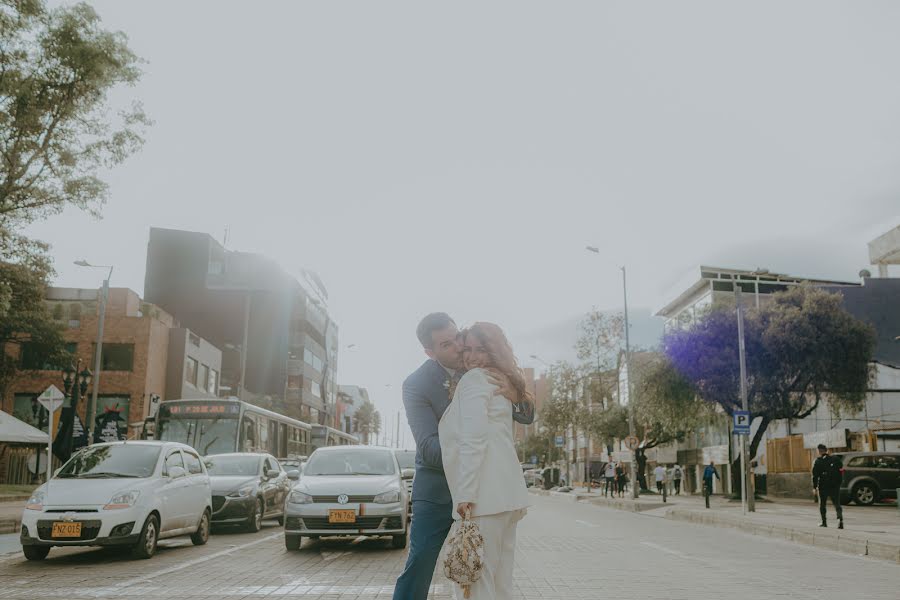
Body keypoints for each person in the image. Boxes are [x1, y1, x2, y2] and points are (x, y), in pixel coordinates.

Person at [393, 313, 534, 600]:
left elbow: (525, 415)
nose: (459, 347)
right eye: (447, 344)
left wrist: (516, 395)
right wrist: (475, 449)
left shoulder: (484, 368)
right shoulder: (416, 384)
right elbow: (428, 446)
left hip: (479, 491)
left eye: (457, 337)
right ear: (430, 352)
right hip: (438, 488)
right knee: (420, 563)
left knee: (481, 578)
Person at [440, 322, 532, 599]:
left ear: (494, 351)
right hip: (507, 498)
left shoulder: (475, 379)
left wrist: (465, 492)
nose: (472, 356)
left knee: (476, 584)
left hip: (483, 497)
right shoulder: (497, 379)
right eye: (467, 349)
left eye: (481, 349)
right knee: (500, 583)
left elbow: (474, 438)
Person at [812, 444, 843, 529]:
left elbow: (815, 475)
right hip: (834, 485)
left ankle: (824, 522)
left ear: (819, 451)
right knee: (837, 503)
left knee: (822, 504)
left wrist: (815, 487)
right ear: (826, 450)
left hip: (823, 485)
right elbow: (841, 470)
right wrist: (839, 483)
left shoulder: (818, 461)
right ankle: (840, 520)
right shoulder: (836, 459)